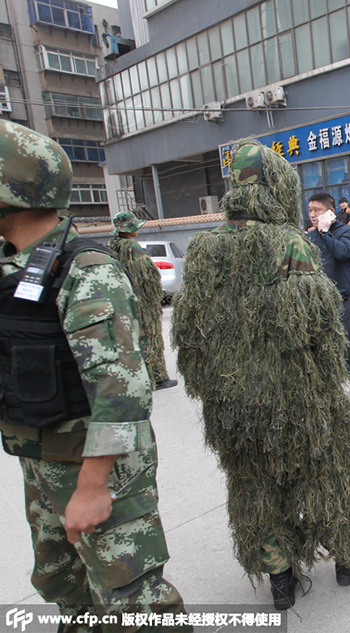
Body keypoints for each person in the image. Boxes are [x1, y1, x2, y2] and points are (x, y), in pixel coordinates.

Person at [171, 140, 350, 610]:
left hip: (233, 405)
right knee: (326, 477)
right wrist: (331, 385)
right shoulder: (289, 242)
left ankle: (280, 580)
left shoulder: (203, 249)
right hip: (296, 397)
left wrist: (216, 395)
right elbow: (317, 326)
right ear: (277, 185)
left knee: (254, 489)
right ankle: (348, 559)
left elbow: (188, 340)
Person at [0, 120, 190, 630]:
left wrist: (91, 486)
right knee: (63, 584)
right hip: (40, 460)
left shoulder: (86, 269)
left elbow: (122, 388)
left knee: (133, 598)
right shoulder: (15, 267)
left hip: (97, 467)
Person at [306, 192, 350, 419]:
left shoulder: (346, 231)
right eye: (310, 210)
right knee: (323, 351)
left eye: (316, 210)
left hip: (342, 301)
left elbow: (343, 253)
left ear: (329, 211)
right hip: (318, 304)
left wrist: (324, 231)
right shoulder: (311, 237)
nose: (312, 214)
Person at [107, 210, 178, 390]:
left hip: (122, 299)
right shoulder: (132, 246)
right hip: (141, 300)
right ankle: (157, 376)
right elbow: (147, 273)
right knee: (150, 337)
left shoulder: (111, 245)